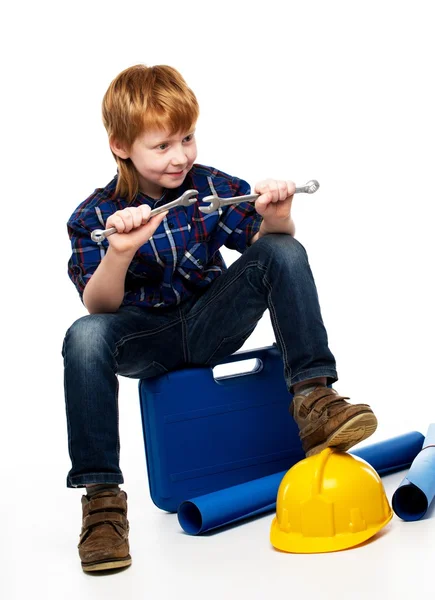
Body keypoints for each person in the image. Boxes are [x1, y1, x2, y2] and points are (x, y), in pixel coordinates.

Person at [63, 64, 377, 572]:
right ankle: (102, 503)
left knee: (284, 250)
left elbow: (269, 248)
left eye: (186, 138)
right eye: (161, 146)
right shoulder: (93, 216)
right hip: (146, 338)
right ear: (121, 145)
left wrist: (276, 212)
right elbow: (98, 308)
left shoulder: (209, 187)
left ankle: (315, 400)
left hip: (212, 323)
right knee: (82, 338)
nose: (180, 156)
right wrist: (120, 251)